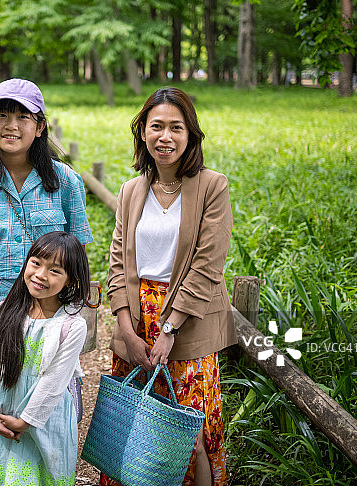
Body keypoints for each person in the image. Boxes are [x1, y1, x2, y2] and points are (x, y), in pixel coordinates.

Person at [103, 88, 236, 486]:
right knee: (136, 424)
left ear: (190, 135)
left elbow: (207, 265)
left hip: (187, 320)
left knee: (191, 433)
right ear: (142, 132)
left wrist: (170, 329)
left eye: (176, 128)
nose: (166, 137)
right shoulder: (132, 190)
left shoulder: (213, 186)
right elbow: (118, 262)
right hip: (136, 316)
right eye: (156, 126)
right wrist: (127, 331)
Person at [0, 78, 93, 395]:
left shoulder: (65, 181)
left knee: (48, 400)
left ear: (40, 126)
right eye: (2, 115)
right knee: (0, 400)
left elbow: (76, 253)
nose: (11, 125)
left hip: (50, 314)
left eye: (22, 117)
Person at [0, 231, 89, 485]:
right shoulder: (3, 312)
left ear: (70, 280)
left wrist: (26, 421)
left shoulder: (72, 326)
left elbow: (54, 381)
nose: (40, 275)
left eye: (55, 270)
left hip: (47, 419)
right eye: (36, 263)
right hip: (6, 413)